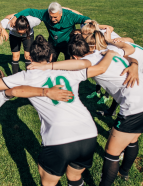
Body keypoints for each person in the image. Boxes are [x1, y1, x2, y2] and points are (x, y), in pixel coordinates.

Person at [0, 35, 121, 186]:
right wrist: (111, 53)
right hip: (88, 133)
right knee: (74, 177)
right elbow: (100, 68)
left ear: (29, 58)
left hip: (59, 138)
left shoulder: (25, 75)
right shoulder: (69, 71)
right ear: (51, 56)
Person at [29, 33, 140, 186]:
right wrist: (132, 63)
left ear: (74, 57)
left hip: (134, 106)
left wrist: (47, 66)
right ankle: (125, 172)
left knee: (111, 153)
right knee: (132, 138)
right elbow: (129, 49)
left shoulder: (91, 61)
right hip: (139, 99)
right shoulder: (105, 51)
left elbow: (85, 65)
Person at [9, 2, 91, 61]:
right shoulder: (45, 14)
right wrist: (16, 16)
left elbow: (85, 19)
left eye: (55, 17)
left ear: (61, 13)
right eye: (50, 16)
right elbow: (30, 11)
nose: (52, 19)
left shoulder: (70, 16)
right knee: (50, 63)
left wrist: (85, 30)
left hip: (68, 44)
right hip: (53, 44)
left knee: (68, 64)